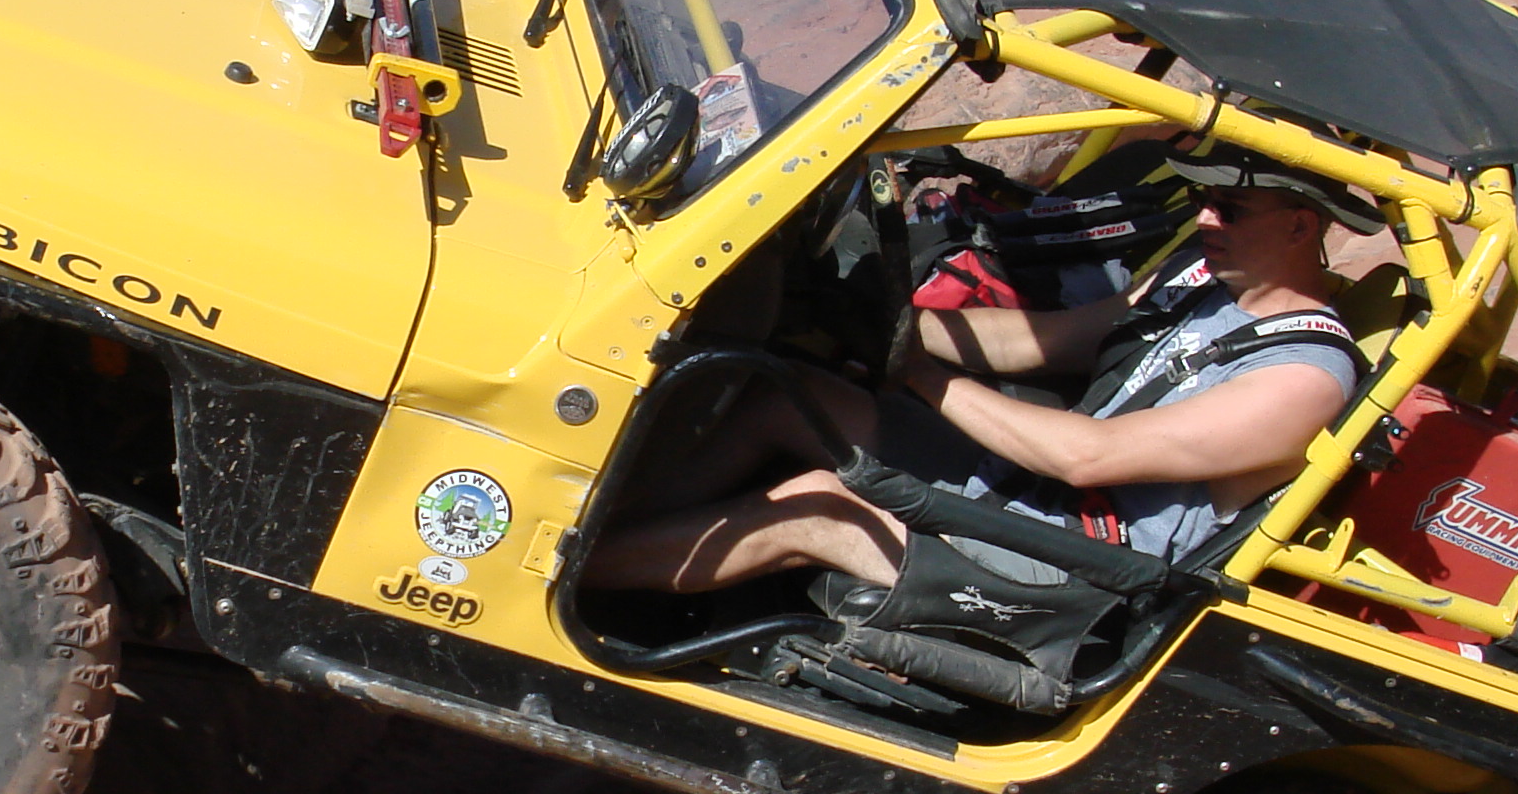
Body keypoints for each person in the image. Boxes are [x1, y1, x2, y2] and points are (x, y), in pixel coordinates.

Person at [586, 158, 1373, 598]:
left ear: (1300, 226)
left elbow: (1088, 458)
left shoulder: (1304, 377)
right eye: (1205, 200)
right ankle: (591, 521)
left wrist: (922, 375)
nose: (1204, 220)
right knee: (785, 393)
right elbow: (1050, 343)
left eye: (1229, 209)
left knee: (820, 506)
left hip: (1082, 562)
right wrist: (893, 319)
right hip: (1034, 495)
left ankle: (563, 582)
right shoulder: (1202, 281)